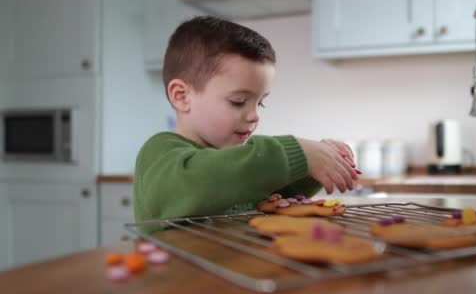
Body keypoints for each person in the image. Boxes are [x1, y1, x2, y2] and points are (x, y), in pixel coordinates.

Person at [134, 16, 359, 233]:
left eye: (260, 103)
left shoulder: (238, 168)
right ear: (182, 96)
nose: (254, 116)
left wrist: (313, 168)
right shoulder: (160, 153)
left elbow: (269, 195)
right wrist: (296, 154)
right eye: (238, 101)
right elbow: (202, 182)